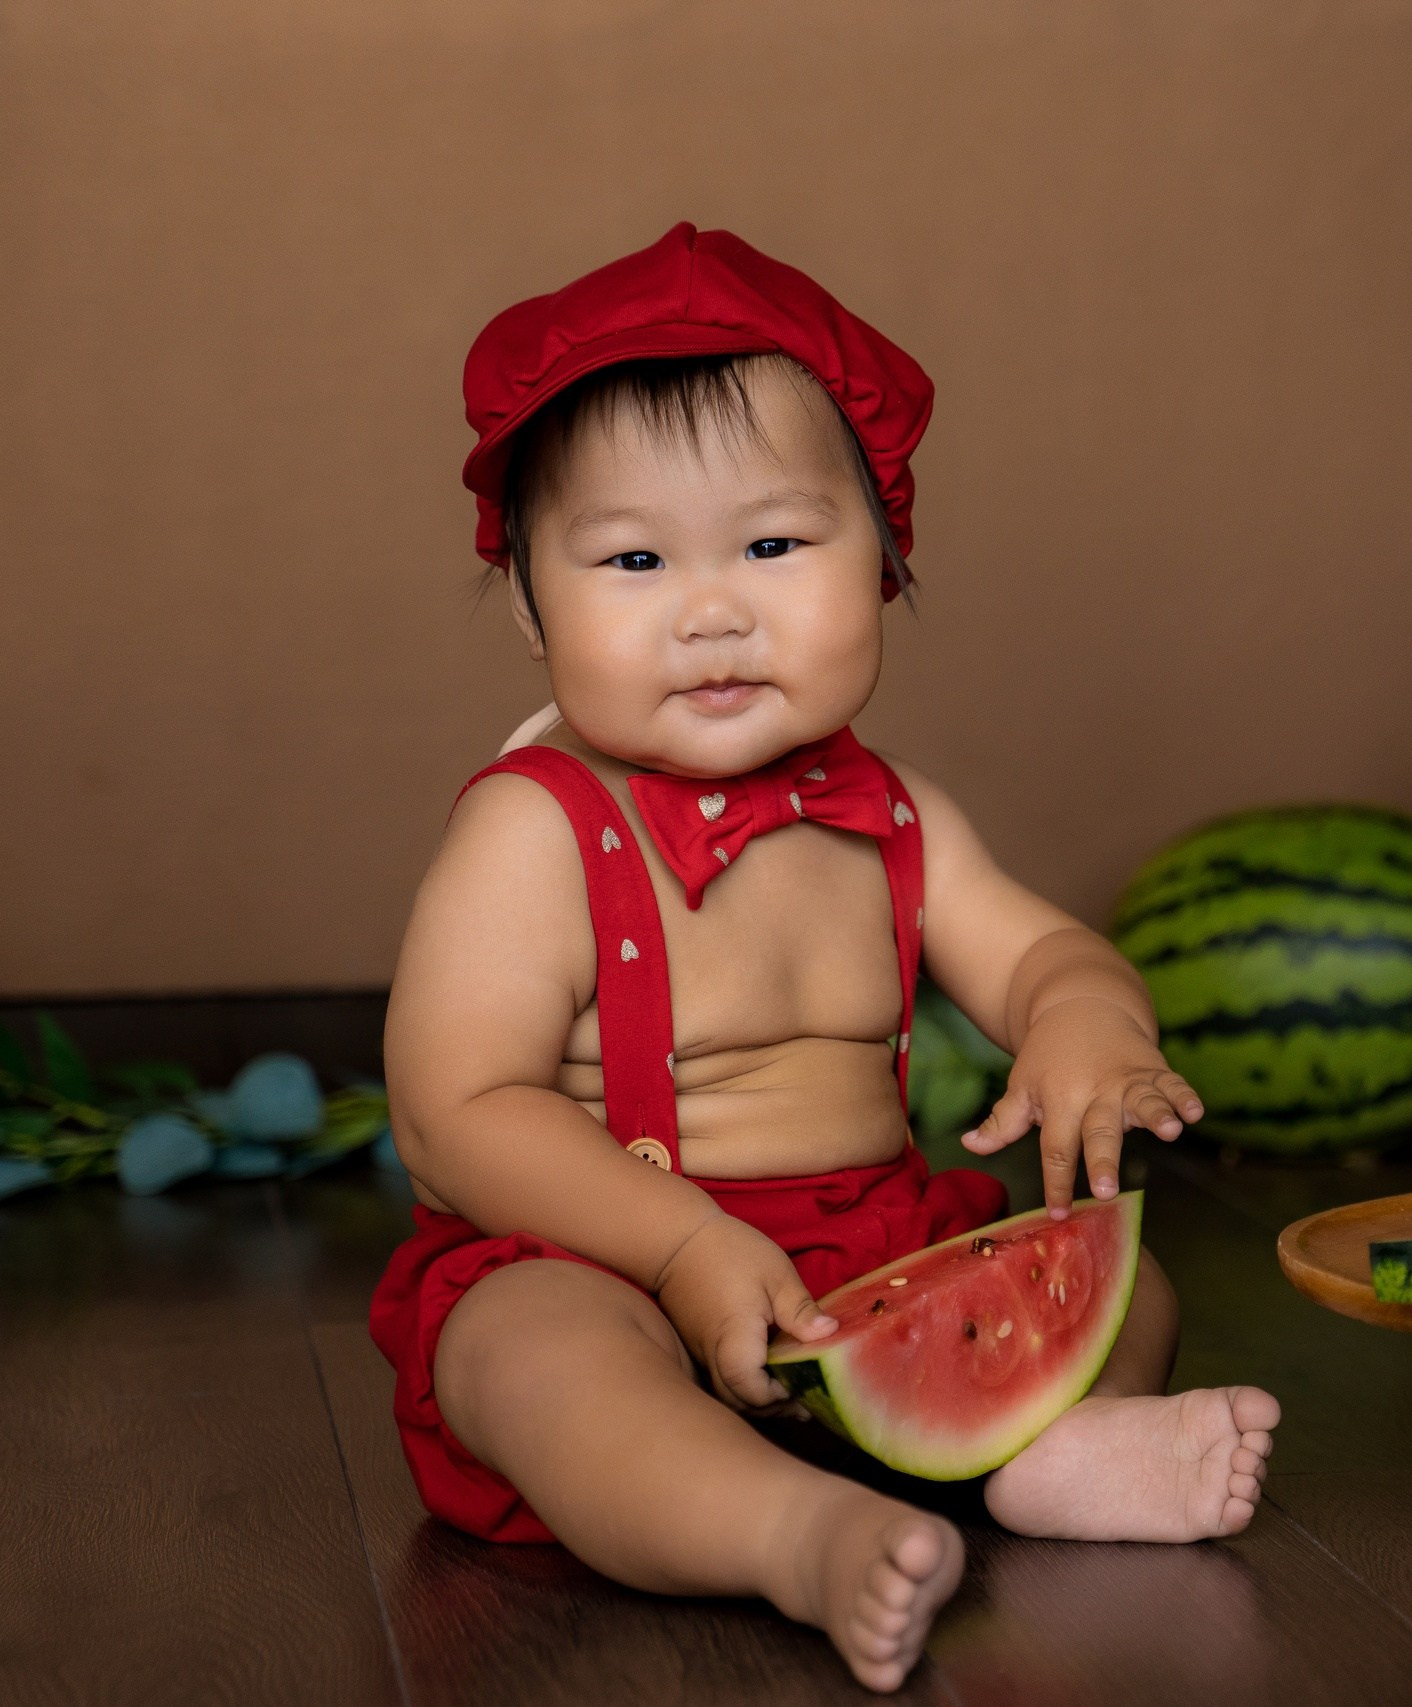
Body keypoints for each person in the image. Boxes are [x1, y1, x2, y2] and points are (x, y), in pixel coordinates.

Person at [369, 225, 1280, 1693]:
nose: (714, 607)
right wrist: (679, 1247)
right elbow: (451, 1113)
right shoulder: (534, 833)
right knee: (534, 1361)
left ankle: (1054, 1463)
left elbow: (1042, 949)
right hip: (607, 1250)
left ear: (889, 564)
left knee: (1129, 1286)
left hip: (871, 1251)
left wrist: (1086, 1023)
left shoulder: (900, 819)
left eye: (776, 545)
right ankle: (786, 1534)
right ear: (534, 610)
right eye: (633, 559)